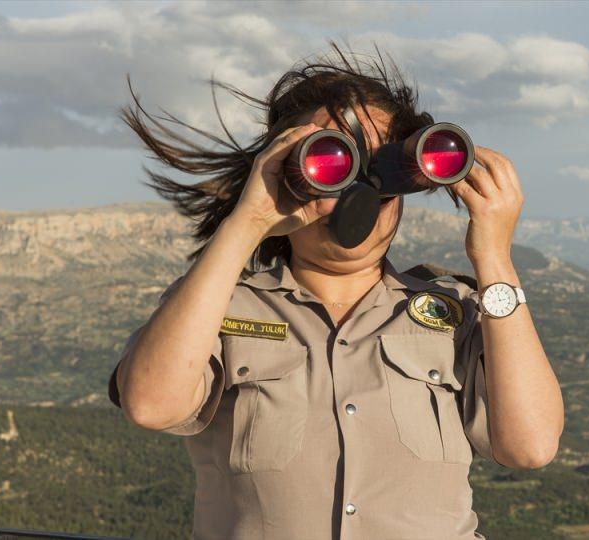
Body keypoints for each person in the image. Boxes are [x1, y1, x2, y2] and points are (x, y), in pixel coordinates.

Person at [107, 42, 564, 540]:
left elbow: (531, 445)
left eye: (384, 165)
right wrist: (248, 223)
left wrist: (495, 259)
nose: (360, 190)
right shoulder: (219, 307)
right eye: (330, 161)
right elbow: (151, 404)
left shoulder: (458, 311)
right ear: (285, 175)